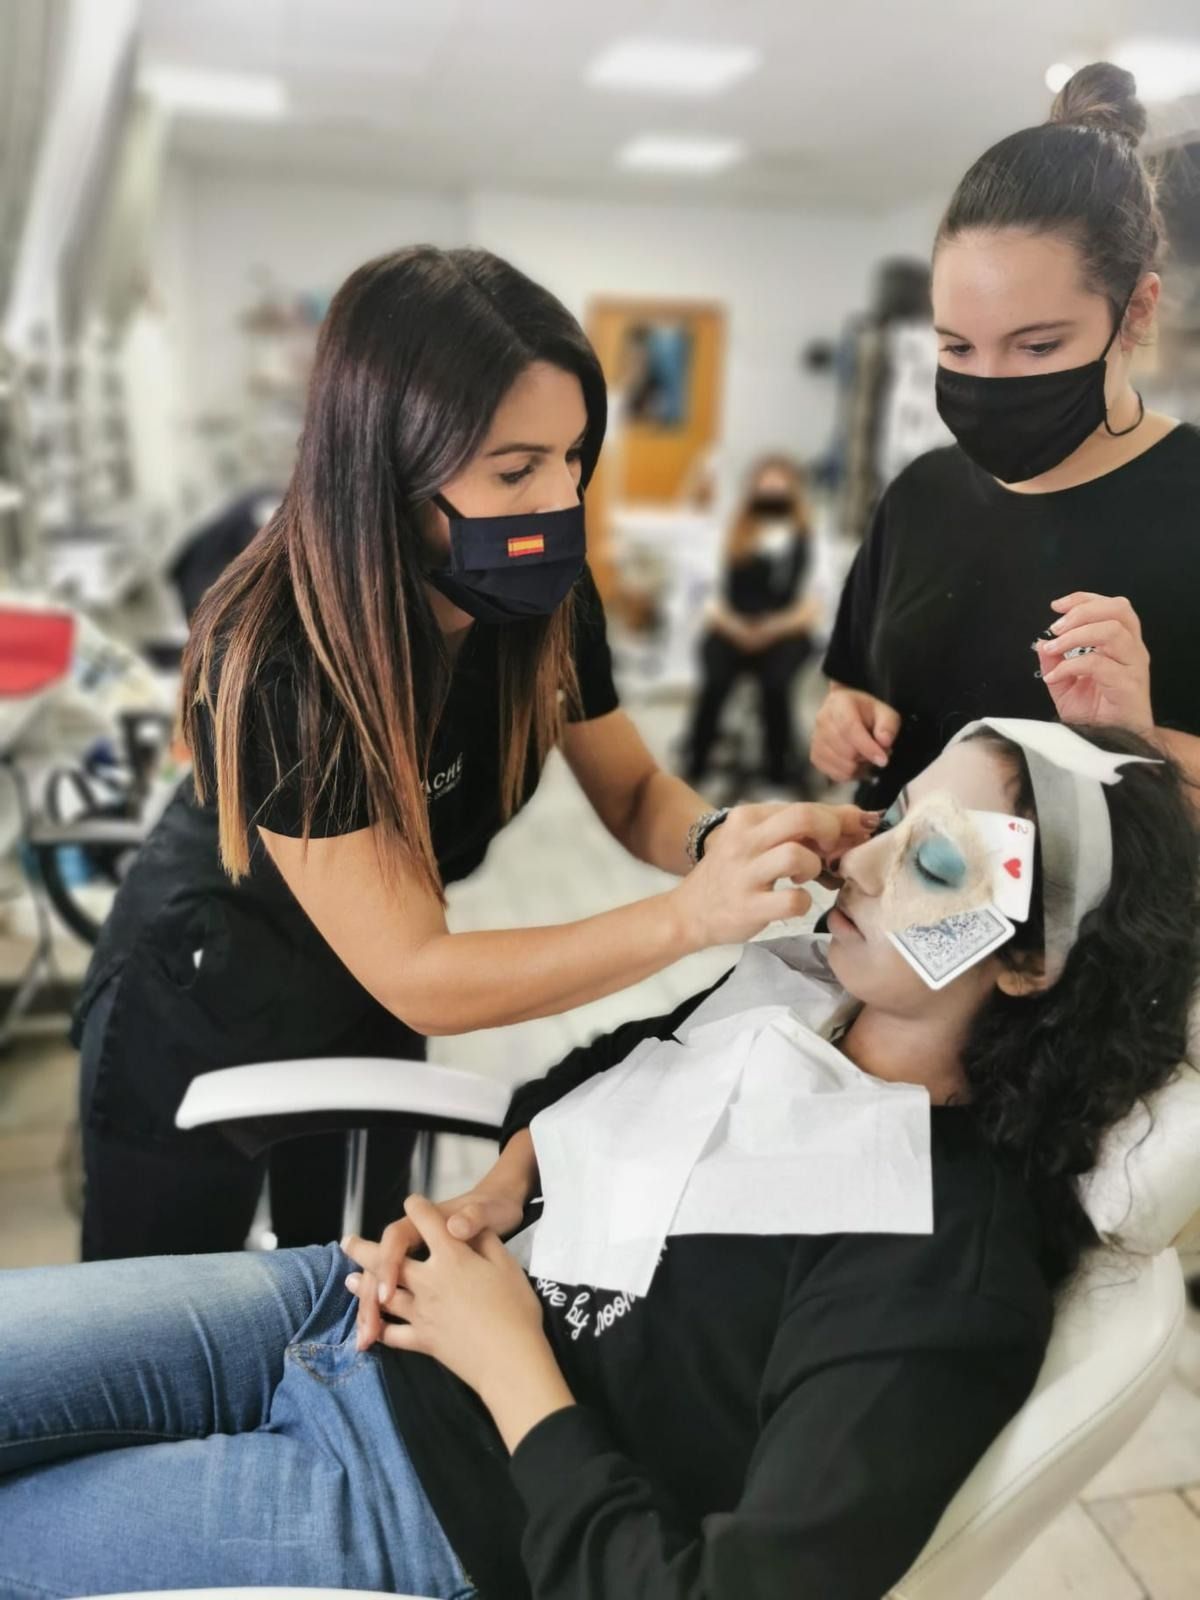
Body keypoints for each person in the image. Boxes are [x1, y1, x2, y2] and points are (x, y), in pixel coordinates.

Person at [4, 720, 1196, 1600]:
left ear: (1031, 963)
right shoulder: (785, 1004)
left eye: (939, 863)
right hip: (348, 1296)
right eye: (893, 819)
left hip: (422, 1498)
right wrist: (492, 1191)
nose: (868, 865)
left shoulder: (946, 1262)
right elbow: (591, 1082)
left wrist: (511, 1355)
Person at [75, 246, 862, 1262]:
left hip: (366, 995)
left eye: (575, 457)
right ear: (388, 467)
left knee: (356, 1277)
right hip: (207, 993)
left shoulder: (539, 595)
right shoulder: (284, 658)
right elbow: (421, 970)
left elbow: (631, 793)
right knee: (162, 1325)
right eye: (515, 469)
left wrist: (720, 838)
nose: (558, 499)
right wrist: (685, 918)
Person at [812, 62, 1200, 809]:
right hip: (898, 913)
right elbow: (855, 679)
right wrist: (844, 716)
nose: (987, 383)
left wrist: (1137, 740)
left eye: (1037, 346)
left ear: (1138, 312)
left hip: (1114, 927)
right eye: (957, 347)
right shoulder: (920, 494)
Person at [683, 455, 818, 792]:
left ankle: (778, 768)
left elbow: (814, 602)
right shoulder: (729, 535)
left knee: (776, 685)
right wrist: (734, 627)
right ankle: (696, 762)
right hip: (731, 627)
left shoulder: (807, 540)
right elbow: (707, 594)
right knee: (715, 680)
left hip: (785, 632)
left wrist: (772, 628)